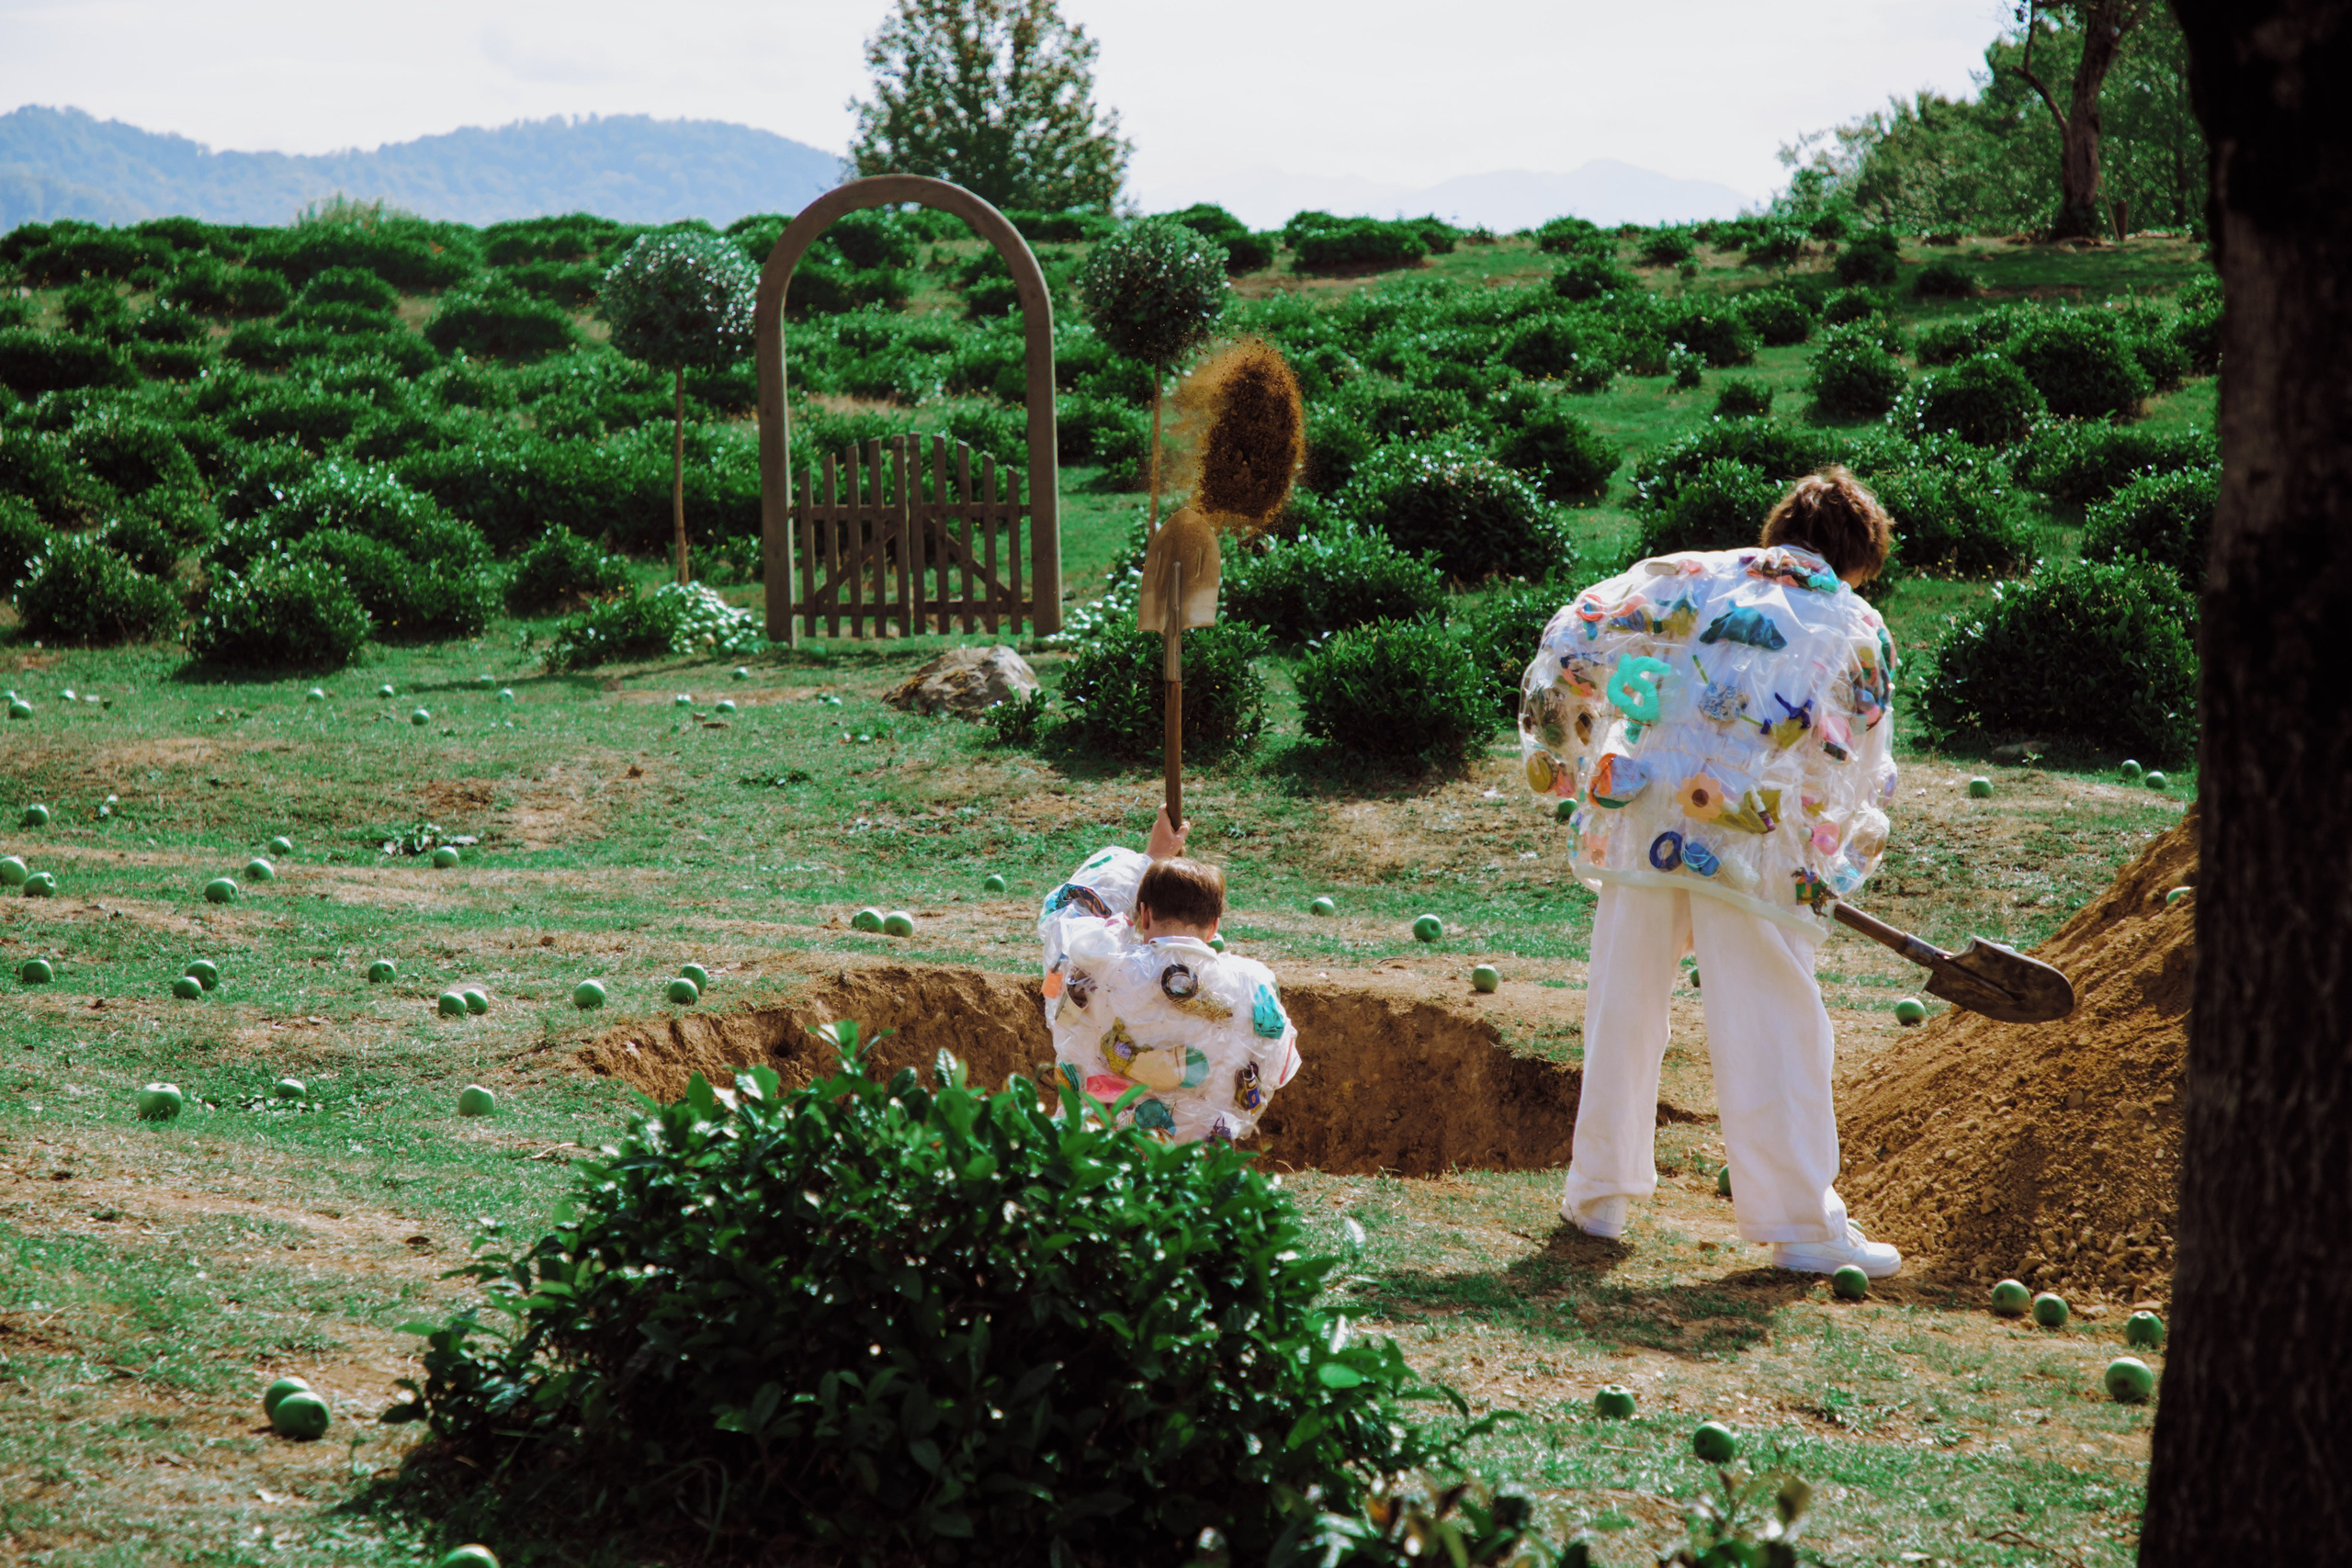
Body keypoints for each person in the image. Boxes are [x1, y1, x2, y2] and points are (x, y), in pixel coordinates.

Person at [1518, 468, 1904, 1277]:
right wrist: (1829, 857)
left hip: (1645, 815)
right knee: (1770, 1019)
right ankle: (1800, 1222)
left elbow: (1574, 635)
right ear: (1858, 557)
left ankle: (1597, 1197)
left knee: (1621, 1007)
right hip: (1751, 838)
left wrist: (1571, 745)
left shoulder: (1689, 574)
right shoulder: (1853, 618)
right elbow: (1860, 756)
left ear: (1778, 531)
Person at [1036, 807, 1301, 1144]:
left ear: (1143, 914)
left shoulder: (1098, 967)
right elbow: (1273, 1073)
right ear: (1214, 927)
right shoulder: (1253, 983)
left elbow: (1066, 911)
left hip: (1096, 1164)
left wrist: (1150, 857)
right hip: (1191, 1176)